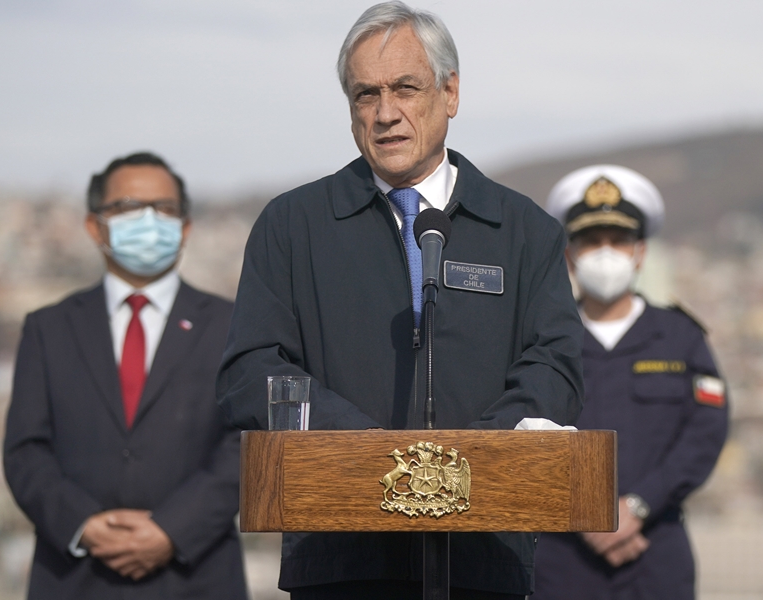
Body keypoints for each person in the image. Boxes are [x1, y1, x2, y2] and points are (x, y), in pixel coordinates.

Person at [215, 2, 583, 599]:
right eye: (366, 94)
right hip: (340, 559)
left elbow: (554, 367)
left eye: (406, 88)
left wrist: (457, 468)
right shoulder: (293, 226)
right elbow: (250, 371)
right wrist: (373, 454)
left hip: (482, 557)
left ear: (450, 92)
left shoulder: (525, 232)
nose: (386, 113)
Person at [2, 152, 247, 599]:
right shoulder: (49, 328)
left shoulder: (232, 325)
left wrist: (172, 530)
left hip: (198, 576)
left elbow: (246, 443)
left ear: (185, 227)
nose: (149, 221)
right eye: (129, 207)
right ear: (95, 226)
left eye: (165, 208)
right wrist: (83, 525)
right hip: (74, 578)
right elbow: (25, 450)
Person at [531, 165, 729, 600]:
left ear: (640, 252)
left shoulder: (681, 338)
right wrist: (589, 514)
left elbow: (705, 433)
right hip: (562, 553)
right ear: (570, 255)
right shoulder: (541, 339)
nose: (605, 253)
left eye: (618, 240)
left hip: (655, 548)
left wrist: (638, 507)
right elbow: (521, 433)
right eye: (591, 240)